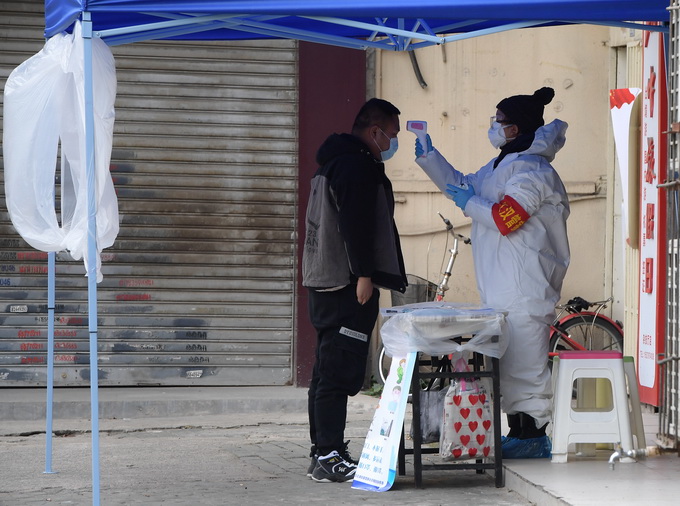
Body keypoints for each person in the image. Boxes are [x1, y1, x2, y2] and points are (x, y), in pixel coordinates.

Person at [414, 87, 570, 459]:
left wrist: (472, 203)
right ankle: (519, 434)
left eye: (498, 121)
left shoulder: (534, 172)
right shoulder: (501, 165)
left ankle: (533, 436)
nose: (494, 127)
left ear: (515, 129)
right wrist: (430, 156)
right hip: (502, 286)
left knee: (527, 366)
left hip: (526, 284)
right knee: (511, 364)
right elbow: (462, 187)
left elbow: (506, 218)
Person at [302, 98, 408, 482]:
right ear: (374, 130)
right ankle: (329, 454)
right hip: (345, 284)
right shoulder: (355, 166)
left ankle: (322, 451)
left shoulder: (333, 161)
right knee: (337, 372)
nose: (392, 143)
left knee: (326, 370)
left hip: (325, 280)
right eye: (391, 136)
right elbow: (355, 225)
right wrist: (364, 275)